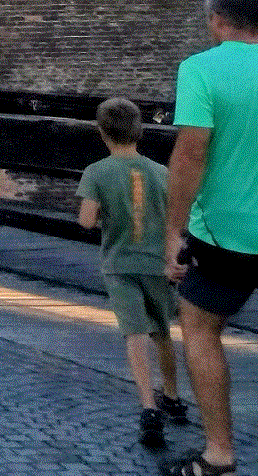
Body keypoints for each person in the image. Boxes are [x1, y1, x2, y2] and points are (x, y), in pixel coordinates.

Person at [162, 0, 258, 476]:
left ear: (217, 21)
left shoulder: (200, 69)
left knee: (200, 326)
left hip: (227, 233)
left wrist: (173, 230)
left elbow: (190, 153)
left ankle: (219, 456)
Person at [76, 97, 186, 448]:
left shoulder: (96, 172)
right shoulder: (161, 172)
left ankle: (149, 406)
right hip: (156, 263)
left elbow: (87, 220)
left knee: (134, 333)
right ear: (139, 131)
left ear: (102, 132)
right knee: (162, 331)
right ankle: (173, 397)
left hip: (119, 264)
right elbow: (174, 222)